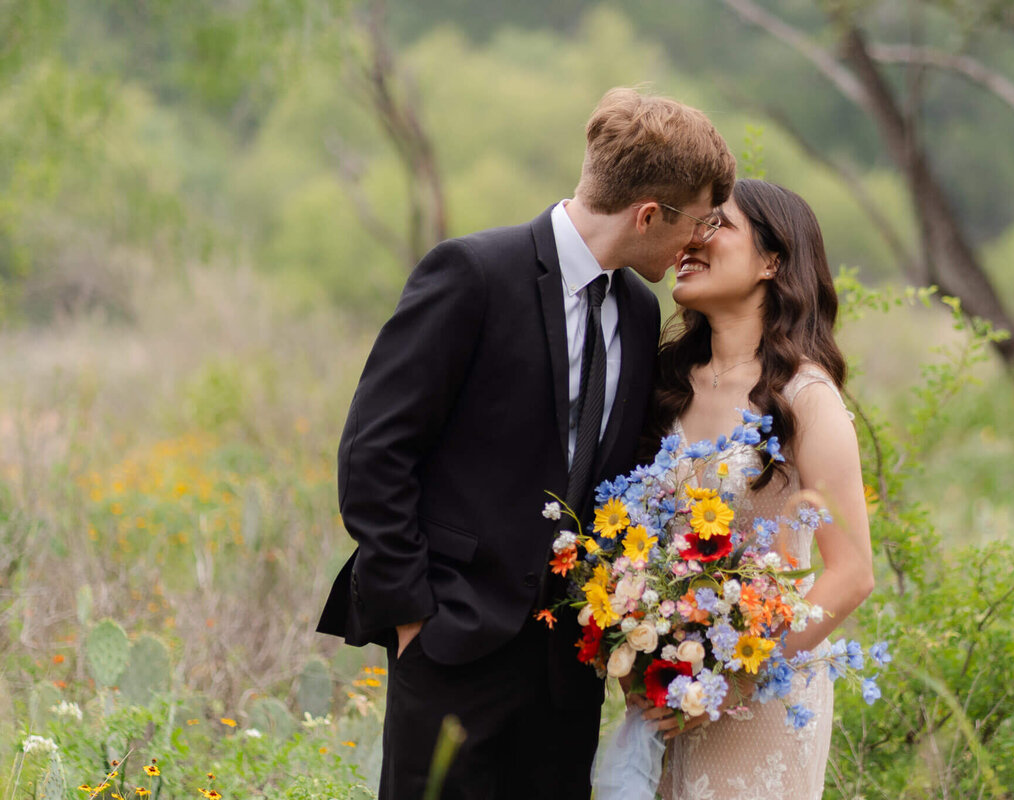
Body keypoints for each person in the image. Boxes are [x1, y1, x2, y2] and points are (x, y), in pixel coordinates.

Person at [316, 87, 736, 800]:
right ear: (647, 215)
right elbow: (373, 453)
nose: (699, 240)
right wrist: (415, 614)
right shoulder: (473, 274)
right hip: (451, 642)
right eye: (698, 221)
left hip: (568, 667)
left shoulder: (637, 310)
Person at [632, 179, 875, 799]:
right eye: (693, 225)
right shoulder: (664, 384)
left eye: (718, 226)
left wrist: (727, 685)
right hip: (663, 692)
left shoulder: (806, 397)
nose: (692, 238)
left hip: (761, 697)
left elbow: (850, 574)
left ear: (772, 261)